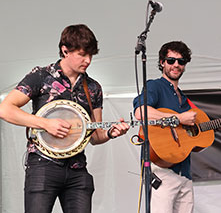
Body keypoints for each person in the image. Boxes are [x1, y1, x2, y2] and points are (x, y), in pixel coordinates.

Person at [0, 24, 130, 213]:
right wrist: (45, 123)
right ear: (65, 50)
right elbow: (5, 109)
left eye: (91, 55)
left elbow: (95, 137)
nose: (88, 60)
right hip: (43, 165)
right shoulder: (41, 76)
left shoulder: (93, 88)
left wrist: (111, 133)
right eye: (82, 54)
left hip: (77, 169)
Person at [133, 41, 221, 213]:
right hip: (162, 171)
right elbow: (140, 112)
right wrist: (178, 117)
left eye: (181, 61)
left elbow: (194, 130)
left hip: (185, 173)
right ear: (162, 62)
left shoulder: (183, 98)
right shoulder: (155, 86)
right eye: (171, 60)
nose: (176, 65)